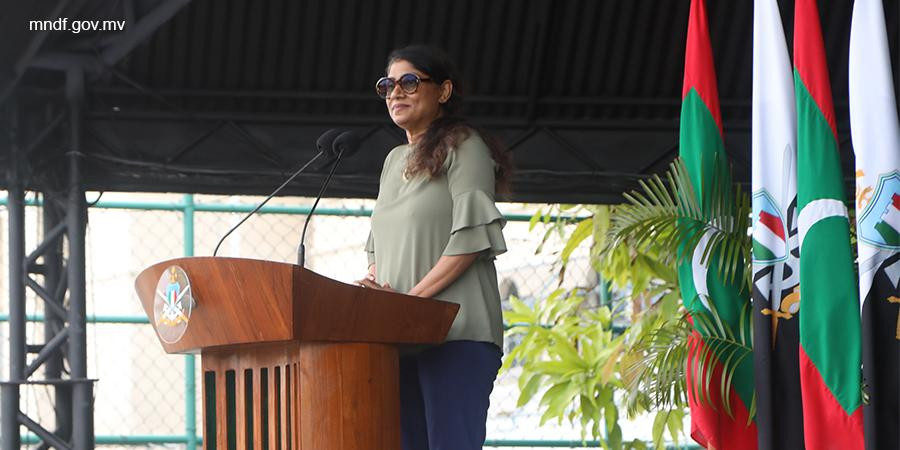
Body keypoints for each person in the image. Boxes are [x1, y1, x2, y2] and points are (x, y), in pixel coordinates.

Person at [355, 44, 513, 450]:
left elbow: (472, 238)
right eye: (387, 85)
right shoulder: (393, 161)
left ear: (444, 91)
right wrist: (374, 290)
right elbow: (380, 250)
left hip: (456, 333)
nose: (395, 92)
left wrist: (408, 305)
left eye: (409, 82)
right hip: (400, 339)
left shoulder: (465, 145)